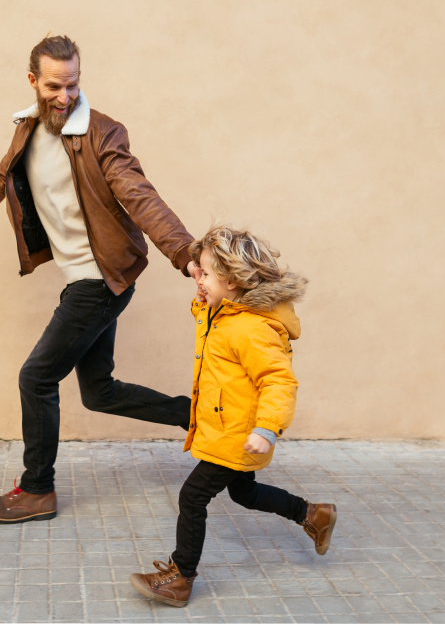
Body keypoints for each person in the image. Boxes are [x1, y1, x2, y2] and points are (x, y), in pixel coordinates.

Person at [0, 35, 199, 523]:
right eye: (54, 86)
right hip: (82, 278)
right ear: (33, 81)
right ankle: (207, 418)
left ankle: (37, 490)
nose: (65, 96)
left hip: (100, 278)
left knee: (36, 378)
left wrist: (184, 252)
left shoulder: (103, 134)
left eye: (73, 85)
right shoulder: (28, 129)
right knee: (99, 391)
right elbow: (1, 176)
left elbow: (140, 196)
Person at [129, 225, 337, 608]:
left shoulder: (251, 327)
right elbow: (207, 321)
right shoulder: (226, 313)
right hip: (228, 430)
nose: (200, 279)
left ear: (232, 280)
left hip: (239, 434)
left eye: (206, 273)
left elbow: (278, 381)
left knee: (192, 497)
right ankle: (314, 514)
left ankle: (180, 577)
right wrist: (202, 286)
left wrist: (266, 429)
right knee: (245, 493)